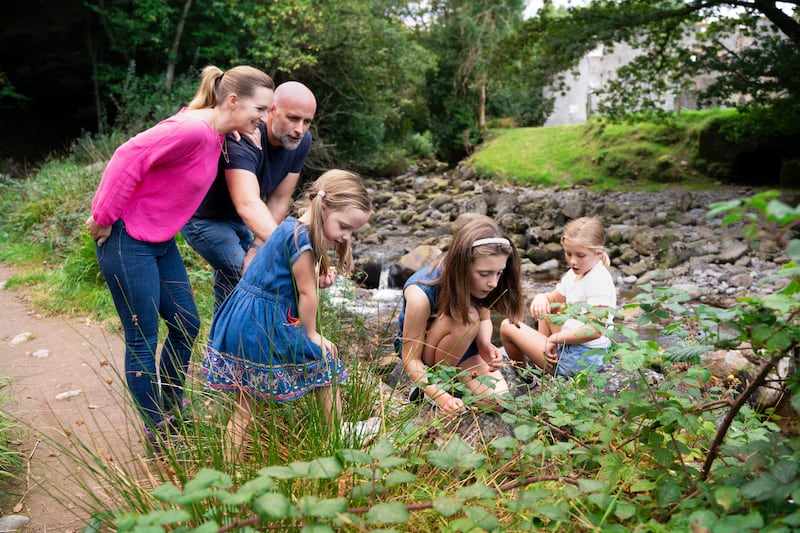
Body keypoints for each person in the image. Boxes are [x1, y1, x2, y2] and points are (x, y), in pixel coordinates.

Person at [85, 65, 275, 451]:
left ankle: (172, 411)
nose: (264, 117)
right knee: (142, 338)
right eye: (260, 108)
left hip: (159, 241)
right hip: (126, 239)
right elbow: (128, 155)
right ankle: (161, 431)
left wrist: (238, 128)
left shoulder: (215, 130)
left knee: (186, 323)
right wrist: (103, 217)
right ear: (233, 100)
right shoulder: (192, 130)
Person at [201, 169, 372, 460]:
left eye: (352, 231)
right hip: (263, 324)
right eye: (344, 226)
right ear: (324, 207)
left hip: (246, 317)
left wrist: (315, 279)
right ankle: (336, 439)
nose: (346, 236)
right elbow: (307, 294)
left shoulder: (289, 227)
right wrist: (311, 335)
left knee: (247, 405)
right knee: (325, 360)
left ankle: (228, 470)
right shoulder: (303, 243)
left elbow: (283, 277)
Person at [182, 81, 317, 310]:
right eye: (293, 118)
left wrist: (257, 247)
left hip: (239, 221)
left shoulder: (301, 141)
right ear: (271, 111)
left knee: (244, 276)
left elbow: (279, 199)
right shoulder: (245, 136)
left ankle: (221, 344)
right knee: (243, 273)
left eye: (307, 121)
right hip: (202, 218)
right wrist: (292, 253)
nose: (300, 129)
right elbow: (248, 203)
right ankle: (230, 341)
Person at [394, 217, 525, 414]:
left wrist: (484, 343)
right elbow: (410, 358)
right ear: (461, 267)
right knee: (467, 318)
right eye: (484, 274)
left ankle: (454, 381)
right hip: (425, 351)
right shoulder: (419, 295)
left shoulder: (482, 284)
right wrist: (442, 396)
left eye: (499, 273)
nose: (493, 283)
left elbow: (485, 318)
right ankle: (434, 385)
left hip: (465, 342)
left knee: (498, 402)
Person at [500, 216, 617, 378]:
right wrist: (542, 297)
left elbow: (595, 329)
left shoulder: (598, 280)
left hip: (580, 358)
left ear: (598, 253)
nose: (573, 261)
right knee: (547, 310)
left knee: (507, 326)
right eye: (568, 254)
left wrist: (555, 339)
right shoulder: (577, 273)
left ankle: (525, 378)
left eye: (580, 255)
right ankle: (544, 362)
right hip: (573, 348)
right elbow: (554, 299)